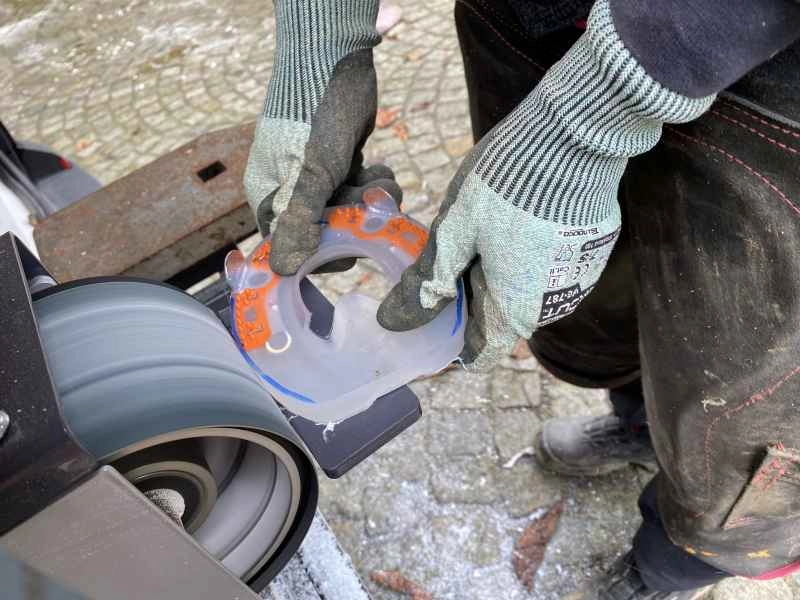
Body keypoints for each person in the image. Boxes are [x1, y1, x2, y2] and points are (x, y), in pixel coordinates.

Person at [242, 0, 800, 597]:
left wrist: (603, 103)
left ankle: (670, 564)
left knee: (742, 416)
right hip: (534, 21)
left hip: (771, 79)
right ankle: (639, 423)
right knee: (594, 301)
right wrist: (323, 31)